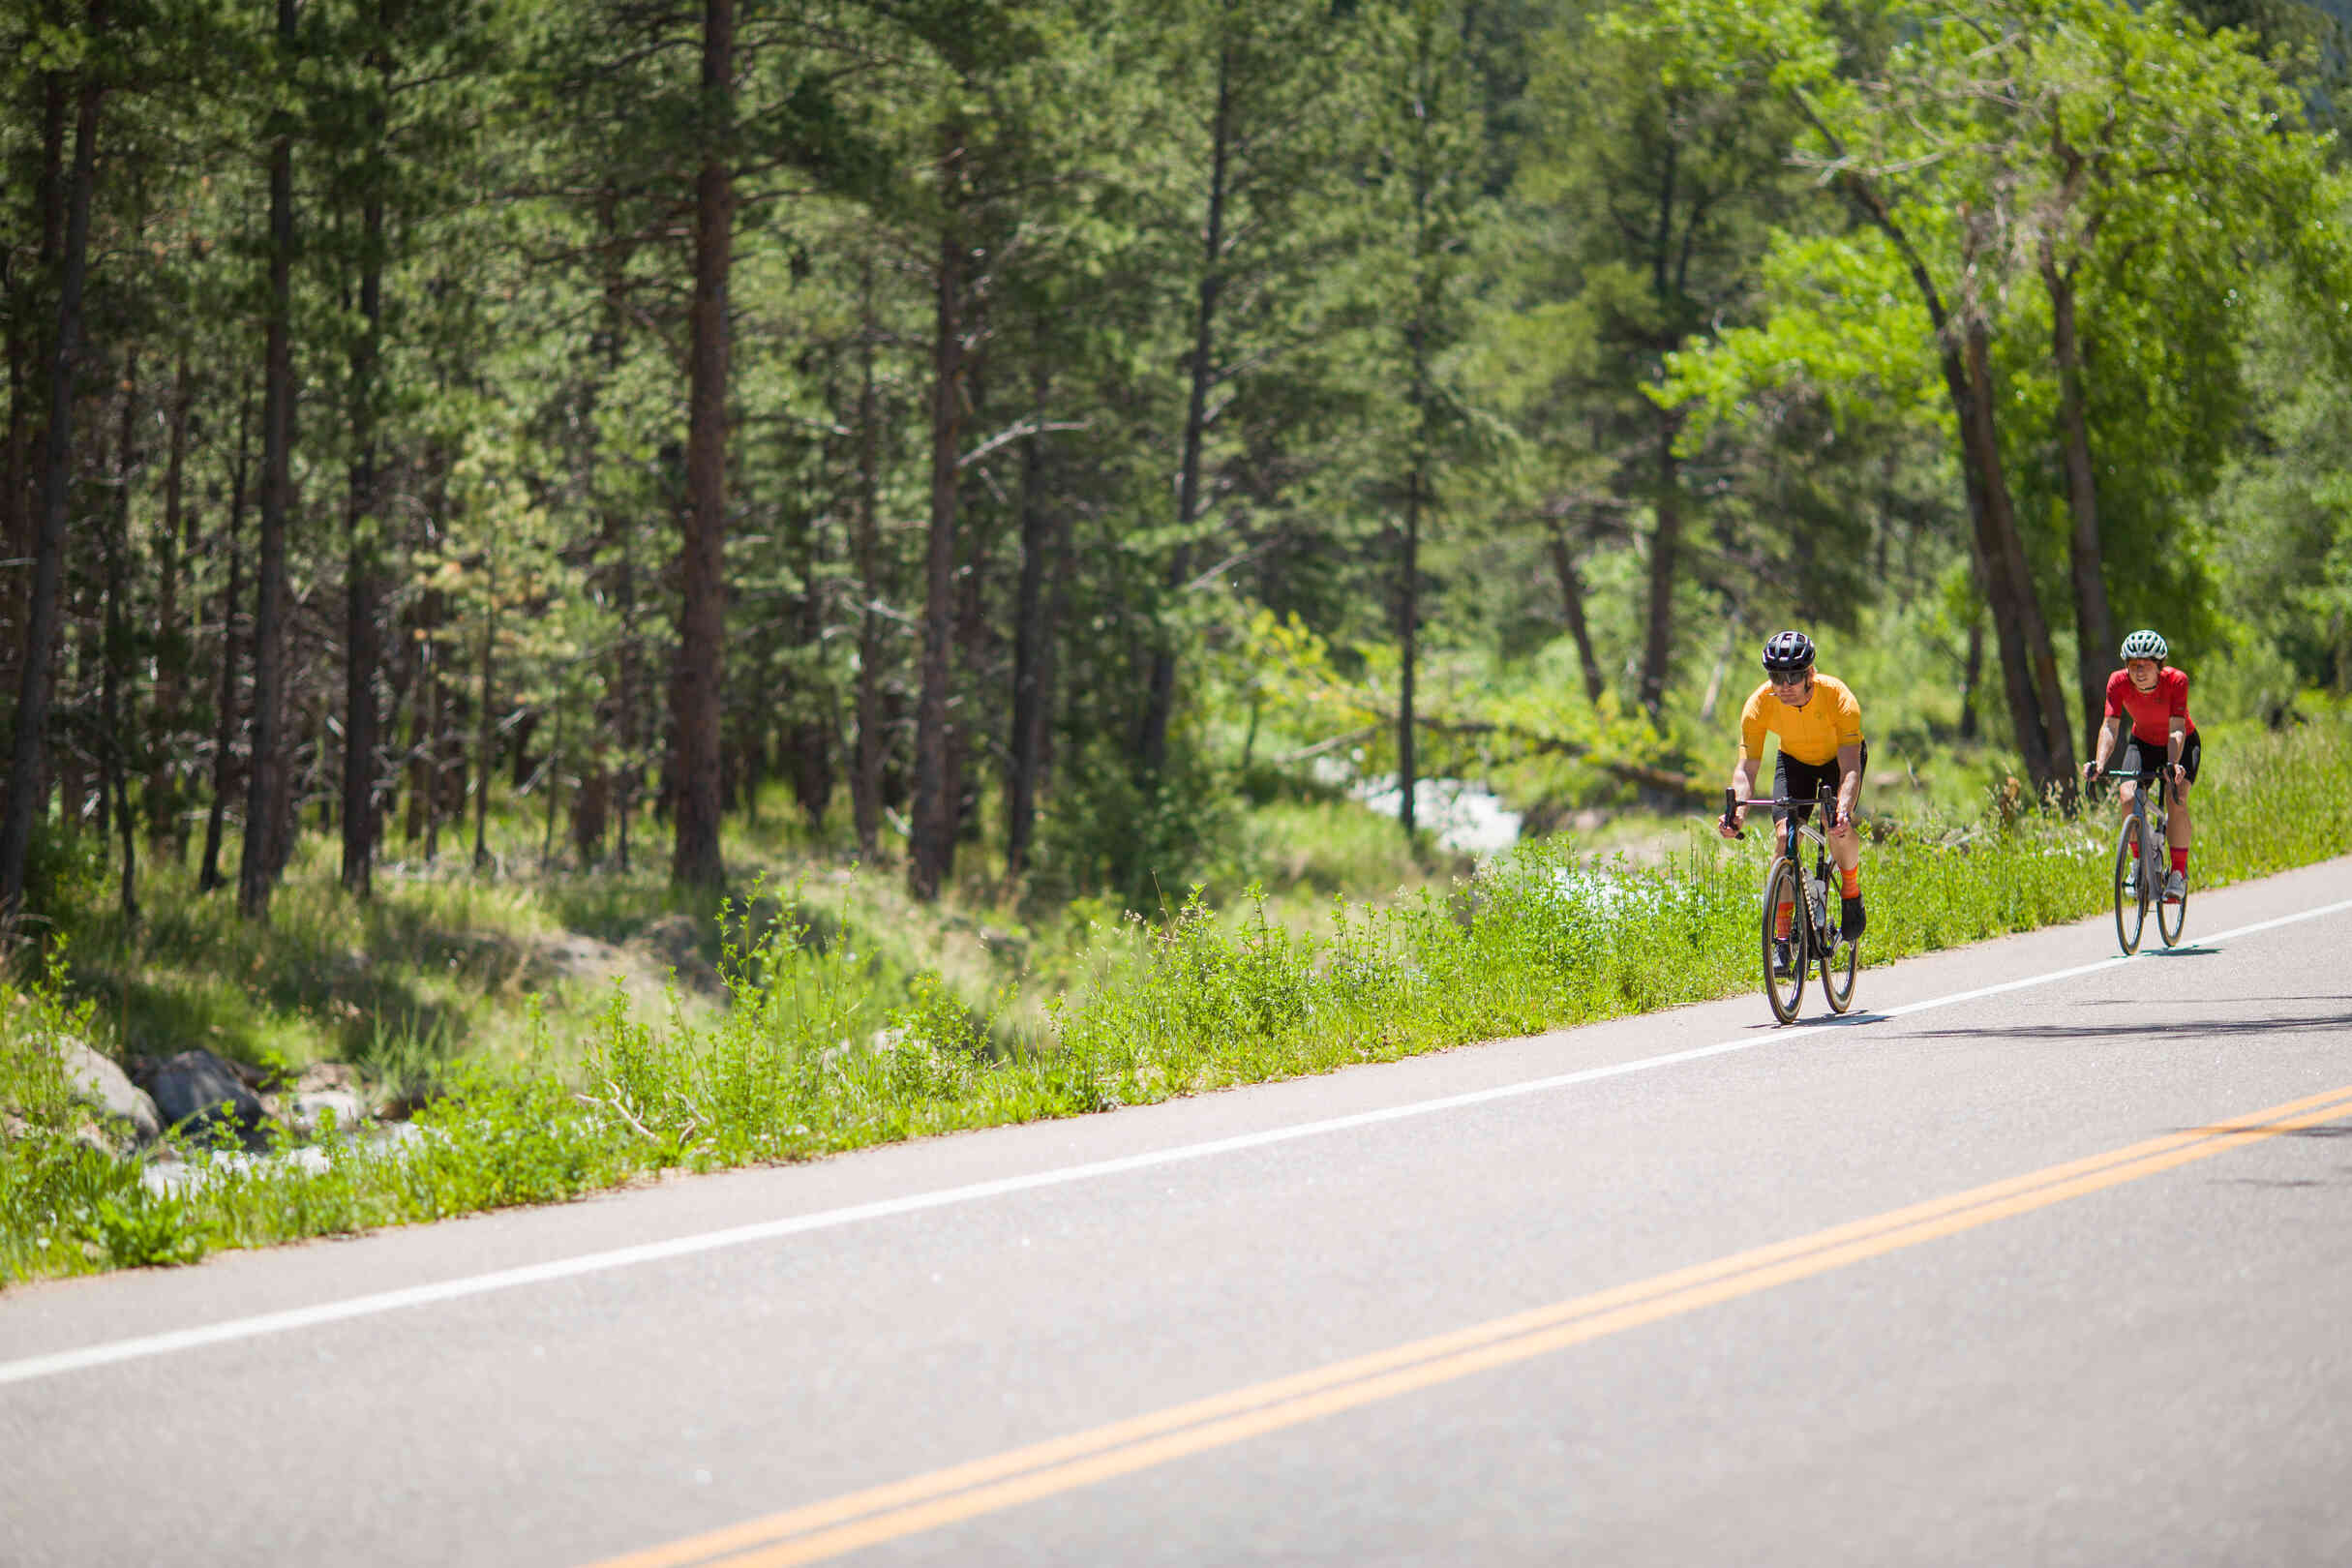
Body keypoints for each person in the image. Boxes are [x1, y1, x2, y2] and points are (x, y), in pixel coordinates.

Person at [1718, 630, 1867, 976]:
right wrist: (1736, 811)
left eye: (1794, 677)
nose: (1784, 685)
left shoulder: (1839, 697)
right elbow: (1747, 767)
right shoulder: (1759, 704)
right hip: (1794, 761)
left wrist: (1842, 807)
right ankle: (1782, 940)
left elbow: (1850, 768)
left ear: (1810, 674)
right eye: (1776, 677)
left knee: (1835, 824)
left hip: (1838, 762)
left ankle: (1850, 889)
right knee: (1785, 834)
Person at [2081, 628, 2197, 902]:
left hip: (2181, 743)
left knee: (2174, 796)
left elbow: (2177, 728)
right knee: (2127, 797)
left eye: (2145, 665)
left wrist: (2172, 763)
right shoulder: (2117, 682)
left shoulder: (2177, 681)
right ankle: (2138, 866)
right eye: (2133, 665)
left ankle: (2178, 874)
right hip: (2143, 742)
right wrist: (2099, 763)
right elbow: (2110, 726)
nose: (2139, 671)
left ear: (2159, 666)